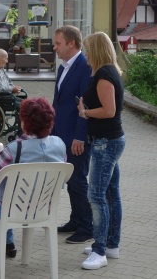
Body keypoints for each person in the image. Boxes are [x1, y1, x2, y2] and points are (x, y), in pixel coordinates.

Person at [0, 97, 66, 264]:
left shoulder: (15, 148)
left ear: (24, 122)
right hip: (44, 208)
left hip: (12, 208)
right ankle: (8, 245)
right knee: (6, 193)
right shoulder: (59, 144)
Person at [78, 31, 126, 270]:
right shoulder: (105, 72)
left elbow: (109, 110)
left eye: (87, 49)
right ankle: (110, 245)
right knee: (110, 193)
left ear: (95, 50)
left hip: (106, 142)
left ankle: (100, 251)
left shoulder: (104, 75)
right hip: (108, 140)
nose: (85, 53)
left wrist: (85, 112)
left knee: (96, 195)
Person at [51, 25, 93, 244]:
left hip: (76, 137)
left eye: (58, 43)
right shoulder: (63, 67)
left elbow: (84, 105)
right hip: (62, 134)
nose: (54, 47)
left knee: (77, 181)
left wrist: (80, 136)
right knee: (71, 180)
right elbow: (59, 102)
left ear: (71, 43)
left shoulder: (85, 66)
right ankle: (75, 220)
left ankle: (87, 227)